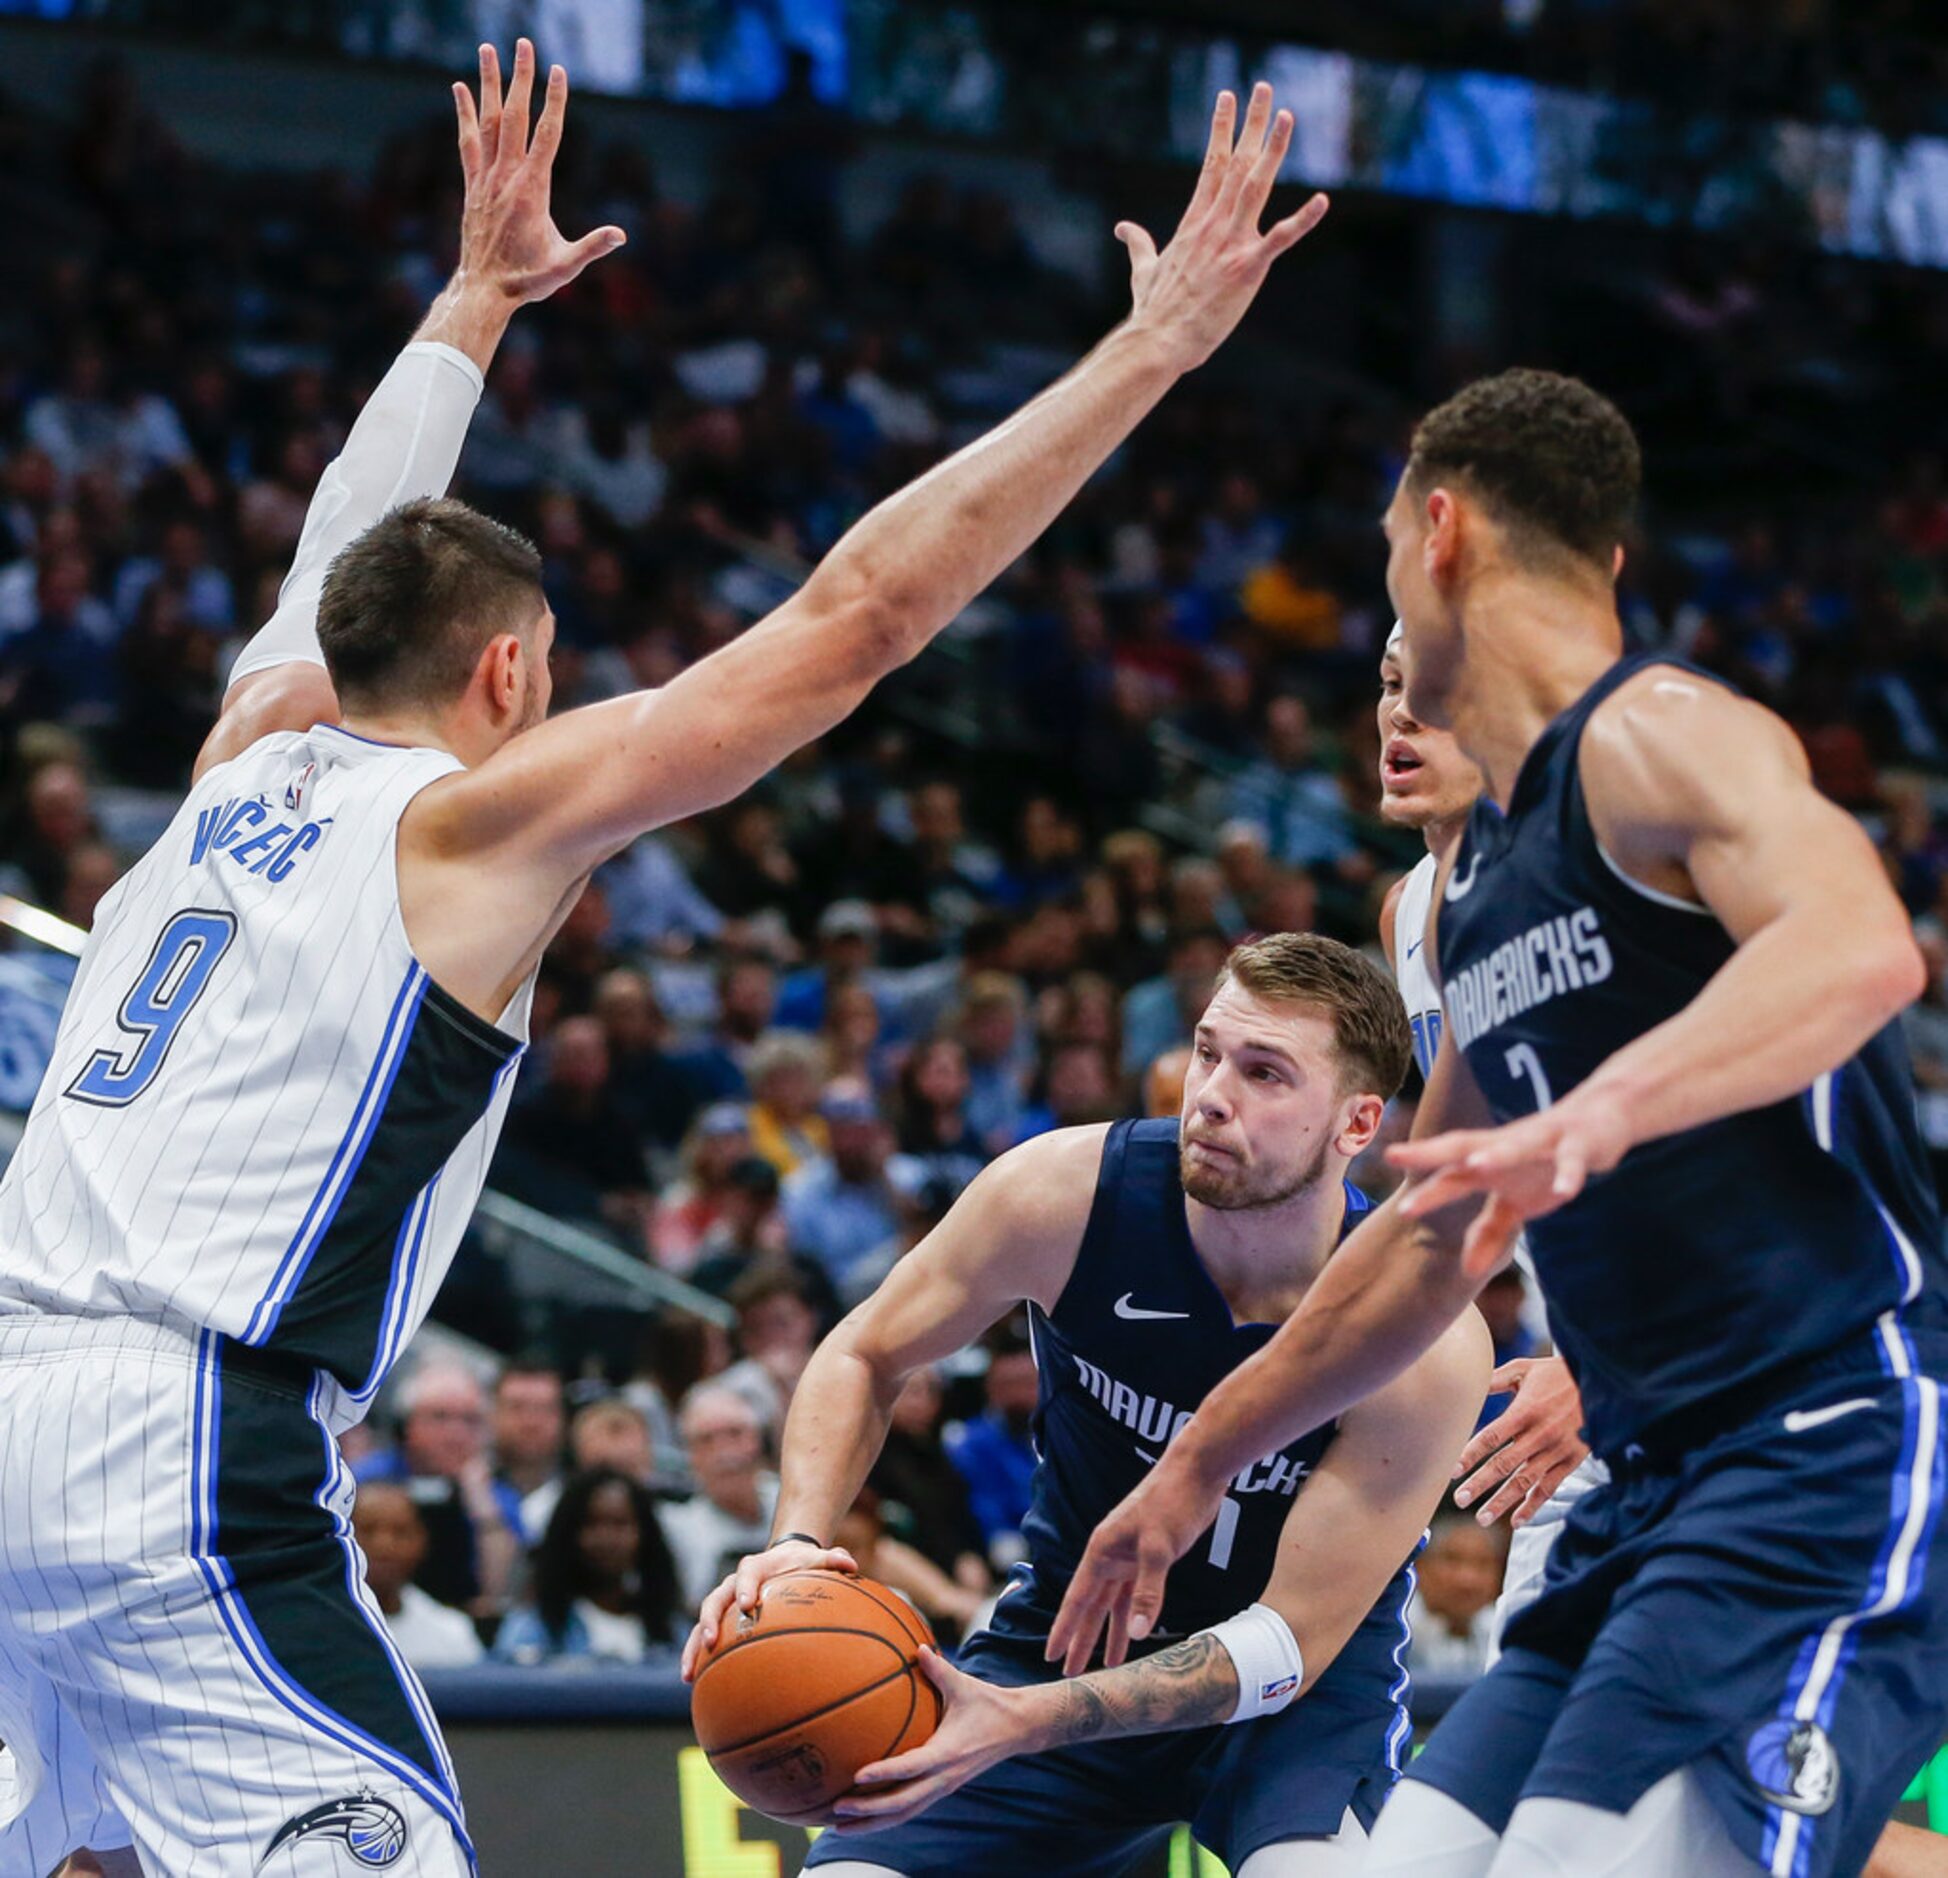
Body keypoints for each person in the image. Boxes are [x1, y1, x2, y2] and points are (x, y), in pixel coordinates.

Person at [0, 69, 1325, 1876]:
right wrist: (1147, 354)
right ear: (505, 679)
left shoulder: (238, 755)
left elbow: (339, 537)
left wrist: (470, 306)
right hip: (178, 1438)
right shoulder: (468, 828)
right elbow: (853, 619)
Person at [1051, 368, 1948, 1878]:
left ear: (1440, 532)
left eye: (1392, 536)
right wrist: (1194, 1460)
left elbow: (1864, 949)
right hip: (1644, 1502)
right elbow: (1423, 1238)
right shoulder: (1468, 896)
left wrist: (1589, 1117)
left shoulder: (1655, 734)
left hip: (1821, 1442)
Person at [682, 932, 1488, 1875]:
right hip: (1064, 1641)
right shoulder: (1061, 1196)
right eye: (1208, 1052)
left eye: (1266, 1074)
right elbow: (864, 1352)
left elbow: (1290, 1646)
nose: (1213, 1095)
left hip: (1289, 1709)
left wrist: (1022, 1724)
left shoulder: (1422, 1335)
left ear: (1357, 1125)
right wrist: (795, 1544)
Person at [493, 1468, 682, 1666]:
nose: (607, 1539)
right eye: (592, 1524)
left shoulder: (673, 1631)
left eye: (620, 1524)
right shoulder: (532, 1629)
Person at [659, 1385, 780, 1608]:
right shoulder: (675, 1531)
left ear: (758, 1441)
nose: (724, 1450)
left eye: (735, 1433)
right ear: (690, 1457)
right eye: (706, 1440)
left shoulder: (790, 1502)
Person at [352, 1484, 486, 1672]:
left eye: (400, 1532)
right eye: (367, 1530)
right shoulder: (311, 1627)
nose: (383, 1546)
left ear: (421, 1541)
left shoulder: (452, 1632)